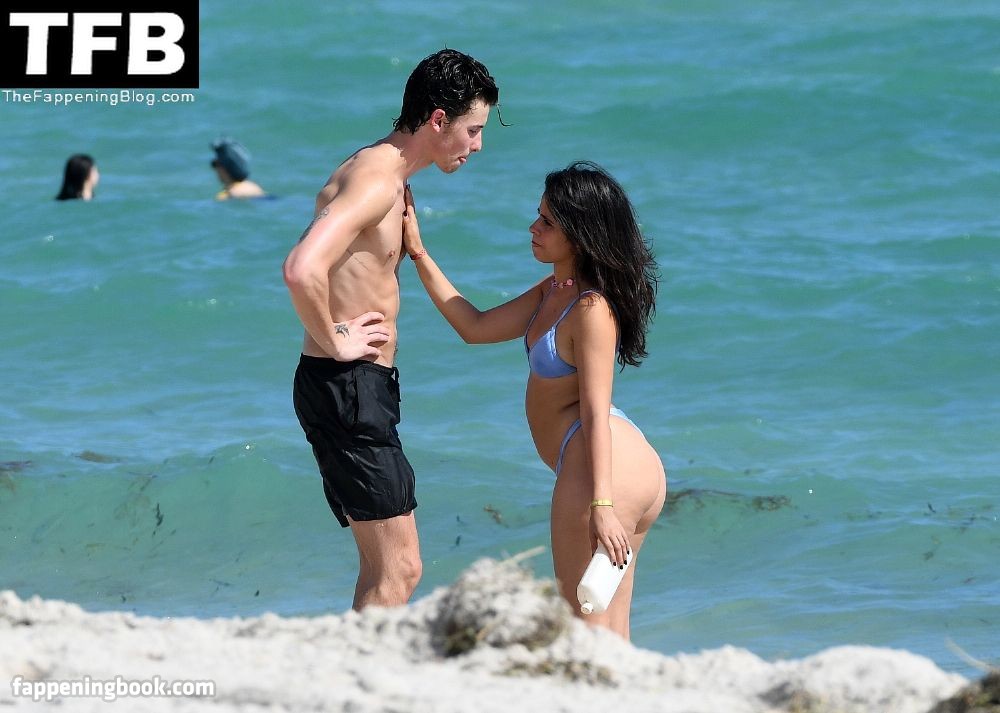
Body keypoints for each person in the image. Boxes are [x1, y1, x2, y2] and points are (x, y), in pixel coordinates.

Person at [401, 161, 666, 639]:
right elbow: (475, 327)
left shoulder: (591, 309)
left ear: (579, 235)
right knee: (610, 632)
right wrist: (418, 252)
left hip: (602, 468)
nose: (533, 228)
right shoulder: (556, 290)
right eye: (538, 215)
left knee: (582, 630)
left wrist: (602, 503)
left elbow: (594, 409)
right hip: (618, 464)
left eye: (547, 222)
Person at [282, 49, 499, 610]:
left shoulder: (379, 171)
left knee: (386, 568)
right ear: (438, 119)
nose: (477, 145)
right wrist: (336, 341)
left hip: (350, 388)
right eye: (473, 130)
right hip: (348, 386)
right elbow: (301, 269)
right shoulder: (378, 182)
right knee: (399, 569)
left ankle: (354, 660)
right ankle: (365, 667)